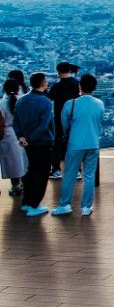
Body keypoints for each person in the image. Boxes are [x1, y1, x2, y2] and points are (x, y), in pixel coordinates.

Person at [51, 74, 103, 216]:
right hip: (93, 143)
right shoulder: (100, 104)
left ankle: (65, 204)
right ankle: (86, 207)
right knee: (89, 176)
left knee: (69, 174)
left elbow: (64, 124)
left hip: (75, 143)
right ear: (94, 87)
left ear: (80, 87)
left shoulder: (71, 104)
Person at [14, 73, 55, 216]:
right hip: (42, 142)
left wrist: (21, 137)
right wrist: (32, 138)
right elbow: (44, 125)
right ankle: (34, 204)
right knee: (41, 173)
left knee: (31, 170)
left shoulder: (21, 100)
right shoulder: (45, 102)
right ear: (43, 83)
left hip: (26, 143)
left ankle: (26, 202)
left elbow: (16, 121)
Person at [46, 61, 80, 179]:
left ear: (58, 72)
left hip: (59, 118)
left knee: (56, 144)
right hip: (75, 118)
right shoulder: (77, 85)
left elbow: (48, 99)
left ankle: (56, 170)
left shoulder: (56, 86)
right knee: (74, 143)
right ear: (69, 71)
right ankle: (77, 171)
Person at [0, 79, 27, 197]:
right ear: (18, 88)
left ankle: (15, 186)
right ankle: (26, 185)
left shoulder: (1, 103)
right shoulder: (22, 101)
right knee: (24, 162)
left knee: (12, 163)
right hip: (22, 134)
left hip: (7, 135)